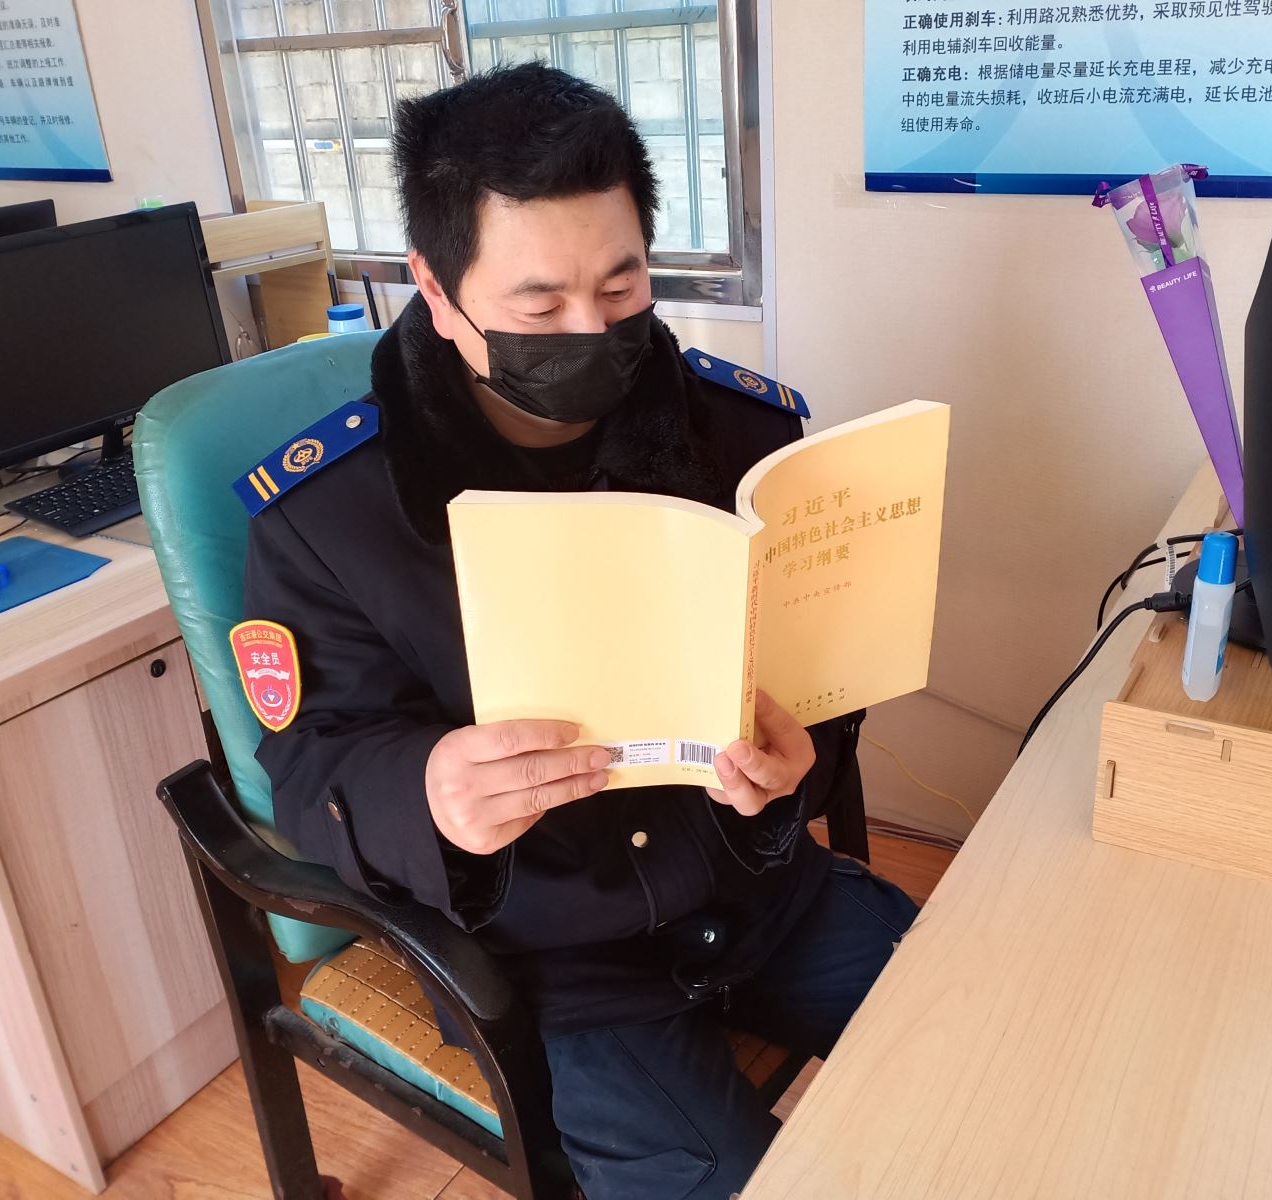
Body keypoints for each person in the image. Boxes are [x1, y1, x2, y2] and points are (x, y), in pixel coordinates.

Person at [237, 62, 918, 1200]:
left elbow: (824, 676)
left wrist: (801, 753)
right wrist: (428, 794)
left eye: (621, 283)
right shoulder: (330, 515)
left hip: (757, 887)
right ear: (435, 288)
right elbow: (311, 765)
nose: (593, 329)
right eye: (540, 305)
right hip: (550, 961)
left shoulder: (745, 436)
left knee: (997, 1034)